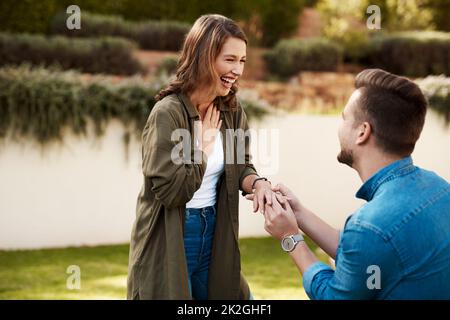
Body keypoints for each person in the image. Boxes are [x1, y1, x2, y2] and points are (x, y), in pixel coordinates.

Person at [247, 69, 450, 299]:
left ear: (362, 132)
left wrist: (290, 239)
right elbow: (364, 252)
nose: (340, 125)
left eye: (344, 117)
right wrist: (299, 214)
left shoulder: (370, 225)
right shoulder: (439, 188)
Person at [127, 14, 273, 300]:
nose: (237, 70)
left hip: (215, 231)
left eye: (242, 61)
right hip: (174, 237)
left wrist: (258, 184)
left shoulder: (232, 111)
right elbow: (172, 192)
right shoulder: (168, 113)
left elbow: (241, 166)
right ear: (204, 57)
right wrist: (202, 147)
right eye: (229, 60)